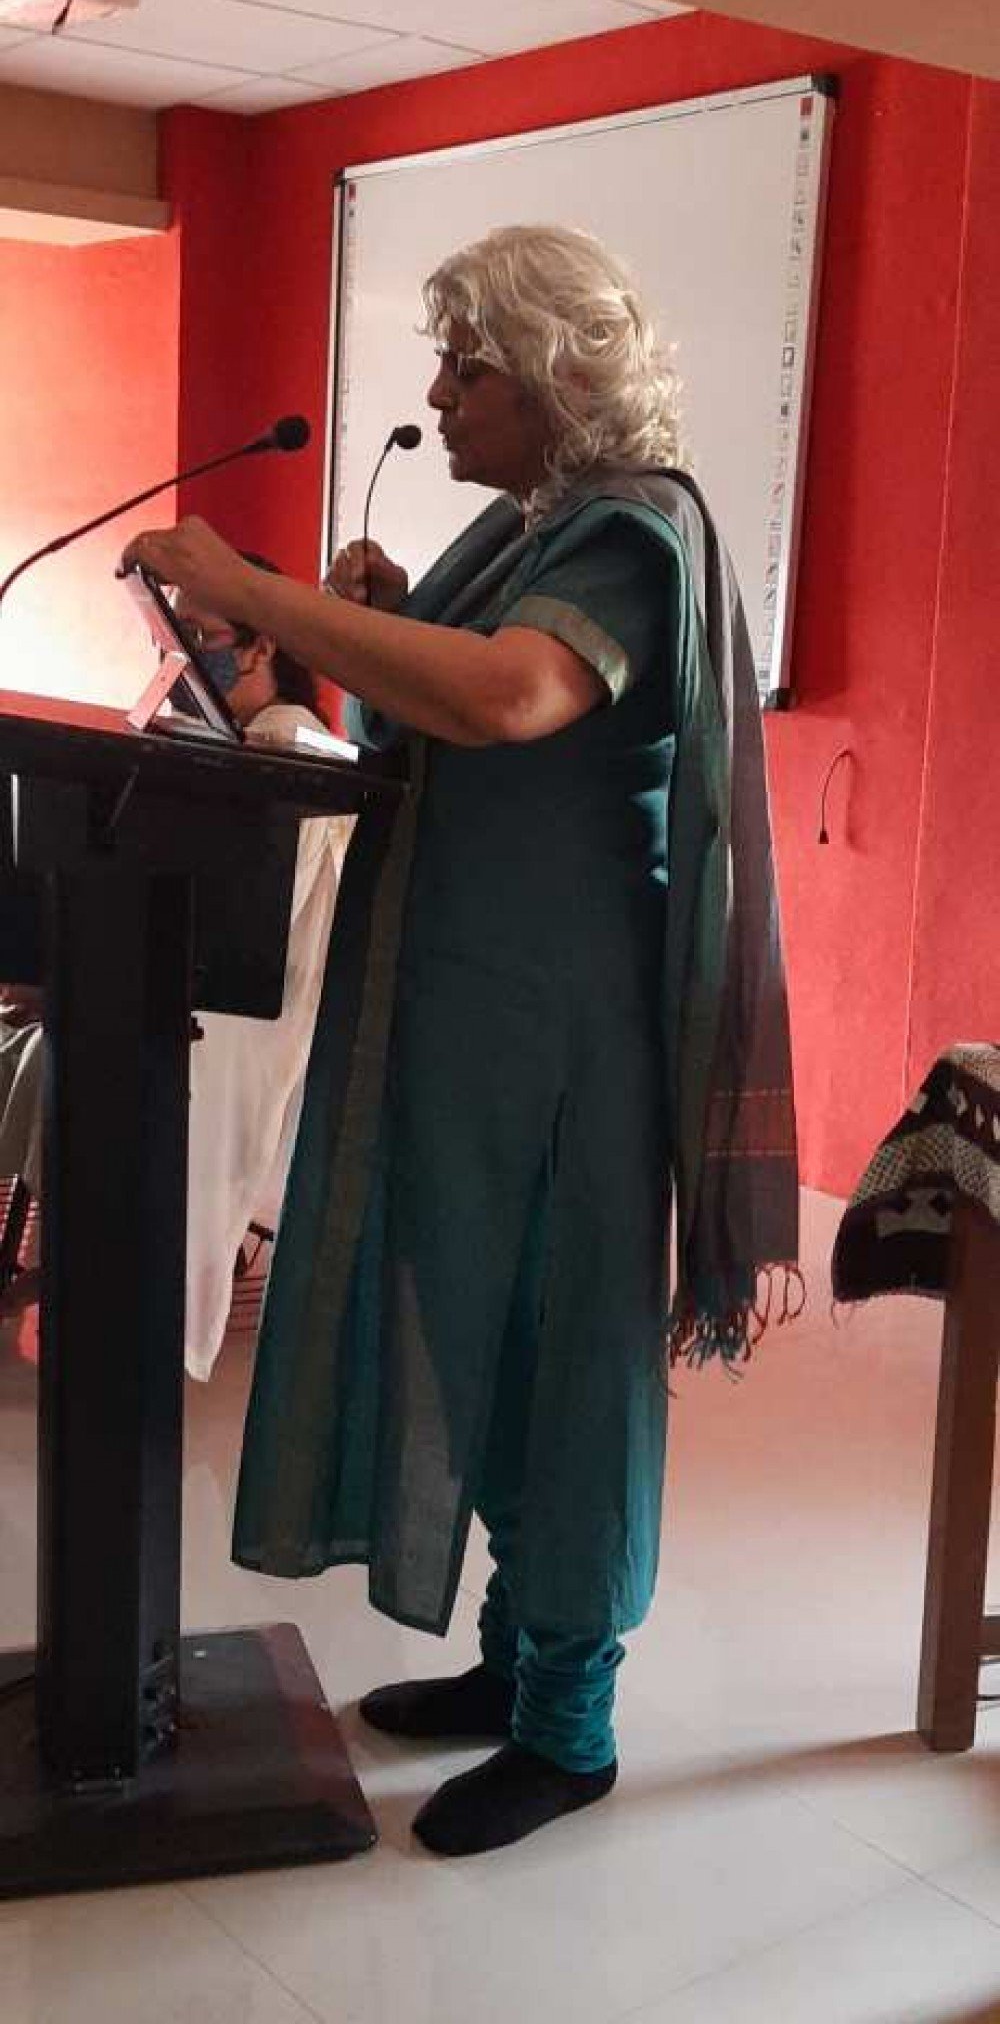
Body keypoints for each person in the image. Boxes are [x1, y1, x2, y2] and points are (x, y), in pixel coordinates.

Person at [122, 224, 798, 1856]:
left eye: (466, 366)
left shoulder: (634, 530)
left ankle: (571, 1725)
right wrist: (369, 621)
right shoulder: (520, 529)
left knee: (566, 1363)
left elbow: (508, 701)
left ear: (556, 374)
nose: (437, 396)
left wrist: (265, 594)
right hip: (466, 1011)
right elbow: (433, 727)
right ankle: (513, 1660)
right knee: (478, 1332)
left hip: (568, 1036)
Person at [0, 580, 351, 1379]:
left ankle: (93, 1302)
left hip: (233, 1028)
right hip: (181, 998)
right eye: (170, 632)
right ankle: (70, 1280)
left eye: (198, 633)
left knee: (73, 1066)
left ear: (263, 645)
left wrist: (69, 983)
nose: (179, 653)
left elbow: (233, 925)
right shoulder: (232, 740)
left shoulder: (289, 750)